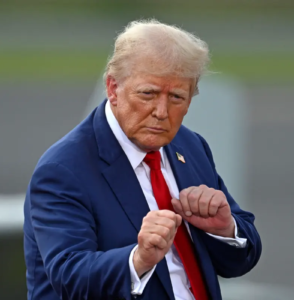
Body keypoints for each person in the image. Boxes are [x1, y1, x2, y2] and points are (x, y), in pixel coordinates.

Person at [23, 19, 262, 300]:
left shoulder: (190, 145)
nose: (161, 111)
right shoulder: (63, 169)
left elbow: (241, 260)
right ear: (113, 89)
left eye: (176, 97)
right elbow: (68, 277)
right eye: (148, 93)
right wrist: (139, 259)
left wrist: (225, 228)